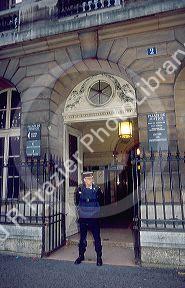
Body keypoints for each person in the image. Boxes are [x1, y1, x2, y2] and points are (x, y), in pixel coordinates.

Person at [74, 171, 104, 266]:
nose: (90, 180)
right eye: (88, 179)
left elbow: (101, 202)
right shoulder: (79, 189)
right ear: (84, 180)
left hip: (94, 219)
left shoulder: (97, 189)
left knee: (97, 239)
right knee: (82, 239)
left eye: (91, 178)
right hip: (83, 218)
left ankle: (99, 257)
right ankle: (81, 255)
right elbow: (77, 202)